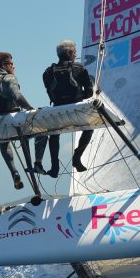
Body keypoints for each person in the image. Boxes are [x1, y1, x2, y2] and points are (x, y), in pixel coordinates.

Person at [34, 40, 94, 178]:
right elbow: (90, 92)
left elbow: (50, 93)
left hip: (57, 110)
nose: (75, 55)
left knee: (54, 134)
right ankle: (76, 158)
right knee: (89, 129)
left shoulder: (47, 72)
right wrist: (80, 96)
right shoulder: (79, 68)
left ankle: (54, 167)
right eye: (74, 52)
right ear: (68, 53)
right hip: (76, 110)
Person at [0, 52, 37, 190]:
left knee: (4, 143)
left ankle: (14, 172)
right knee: (36, 134)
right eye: (11, 64)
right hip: (14, 119)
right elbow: (17, 96)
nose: (14, 67)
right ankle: (33, 167)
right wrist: (30, 109)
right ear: (4, 65)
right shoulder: (9, 78)